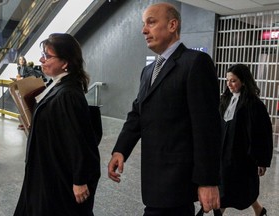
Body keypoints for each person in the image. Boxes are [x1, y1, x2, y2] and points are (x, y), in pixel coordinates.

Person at [108, 3, 221, 216]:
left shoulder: (195, 63)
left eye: (151, 22)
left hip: (178, 181)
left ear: (172, 25)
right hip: (154, 179)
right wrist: (120, 149)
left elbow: (207, 128)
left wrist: (208, 181)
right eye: (143, 24)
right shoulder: (149, 70)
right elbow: (137, 113)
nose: (144, 30)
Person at [13, 33, 101, 216]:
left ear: (65, 62)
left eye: (47, 55)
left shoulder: (68, 94)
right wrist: (35, 125)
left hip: (58, 175)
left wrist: (80, 180)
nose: (41, 59)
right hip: (46, 170)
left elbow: (78, 139)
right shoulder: (57, 85)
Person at [218, 64, 273, 216]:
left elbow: (262, 134)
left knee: (237, 188)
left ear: (243, 81)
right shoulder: (225, 100)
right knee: (227, 187)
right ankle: (259, 210)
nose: (229, 84)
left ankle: (258, 210)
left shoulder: (253, 104)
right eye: (227, 80)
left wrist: (261, 160)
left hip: (243, 156)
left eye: (233, 80)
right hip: (224, 154)